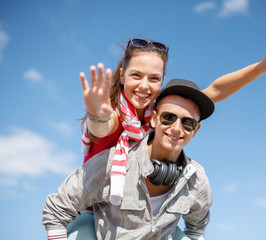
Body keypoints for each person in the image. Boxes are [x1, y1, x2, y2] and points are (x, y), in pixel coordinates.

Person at [69, 17, 266, 239]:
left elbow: (216, 90)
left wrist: (264, 65)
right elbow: (102, 128)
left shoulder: (164, 114)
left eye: (154, 78)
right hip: (97, 217)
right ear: (121, 75)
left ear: (161, 82)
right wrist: (98, 115)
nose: (144, 85)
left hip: (141, 218)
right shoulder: (113, 116)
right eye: (136, 75)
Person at [42, 79, 215, 240]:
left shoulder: (197, 179)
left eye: (187, 123)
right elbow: (56, 208)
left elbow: (197, 227)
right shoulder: (114, 163)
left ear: (196, 129)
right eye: (168, 118)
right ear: (154, 119)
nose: (177, 128)